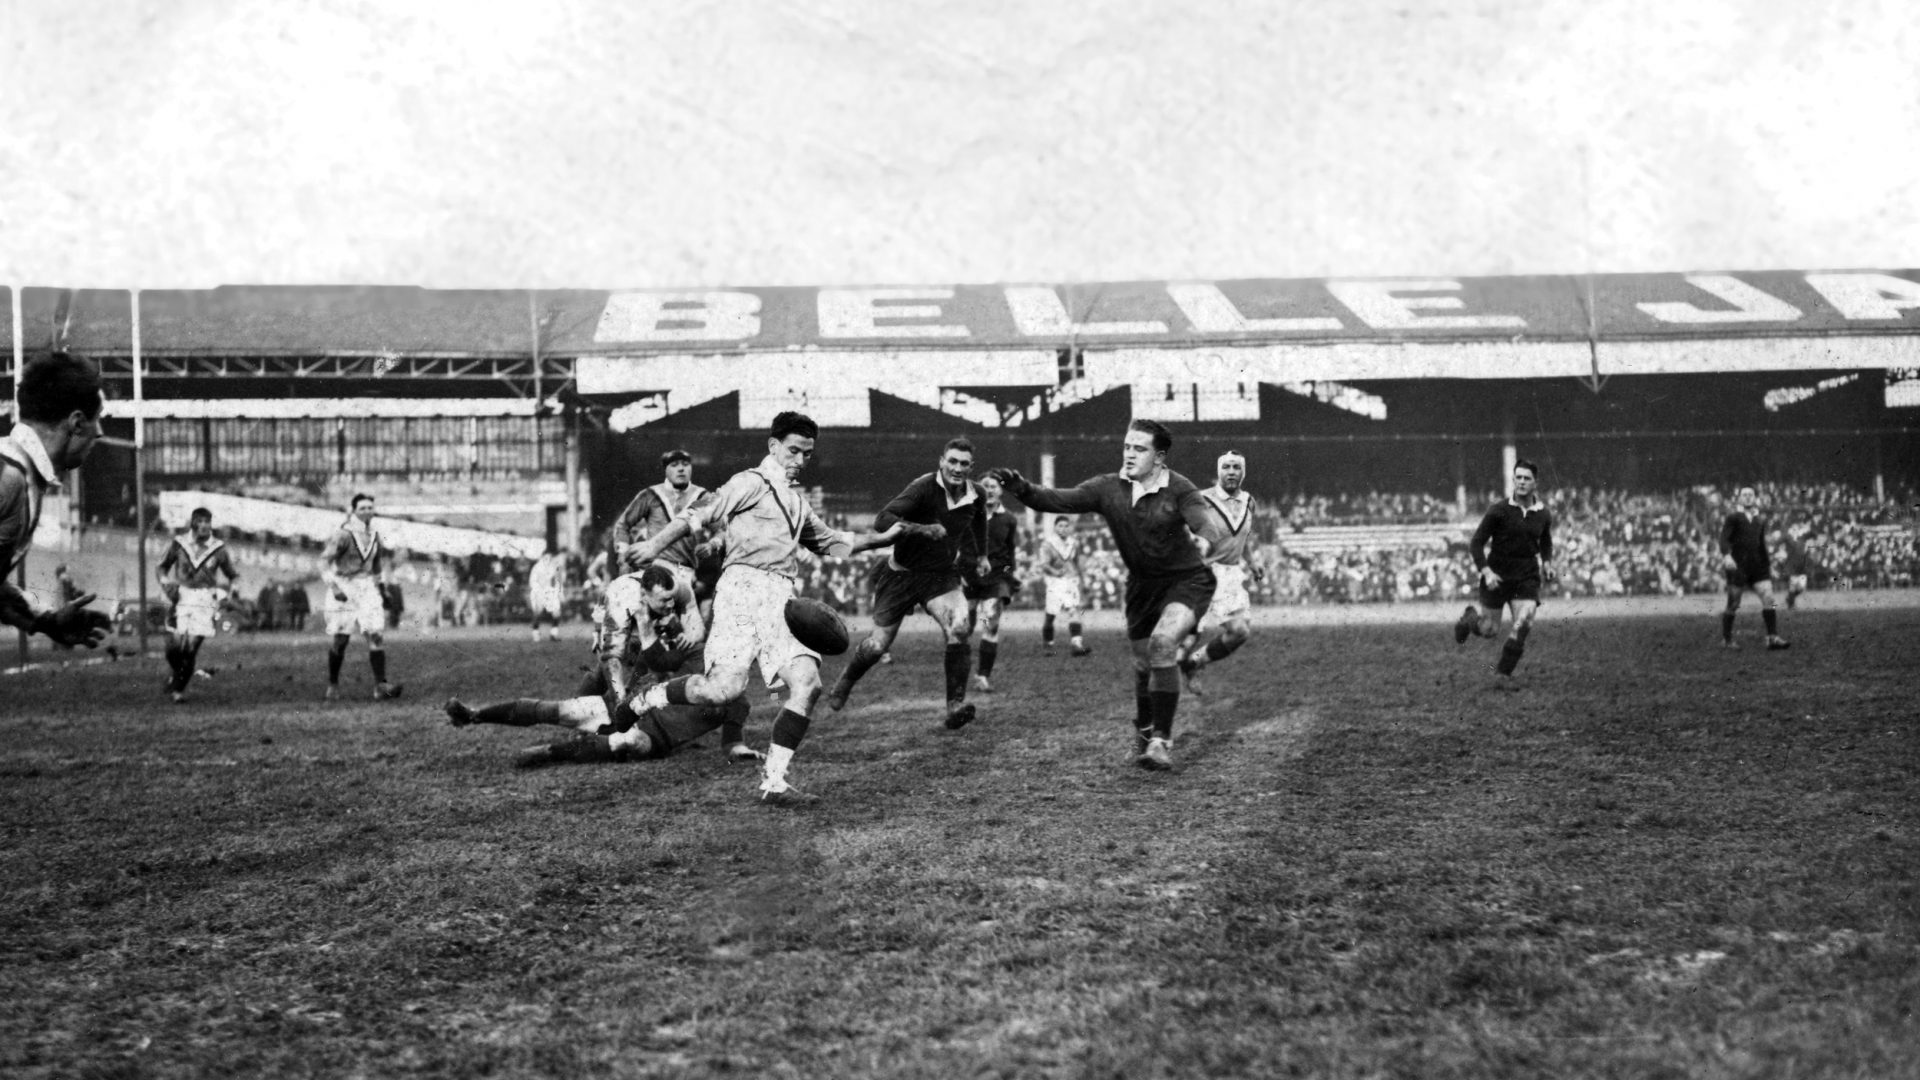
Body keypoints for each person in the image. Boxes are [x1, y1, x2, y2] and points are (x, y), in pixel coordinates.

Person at [615, 411, 918, 806]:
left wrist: (886, 538)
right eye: (793, 450)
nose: (800, 460)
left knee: (807, 684)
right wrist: (654, 546)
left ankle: (774, 783)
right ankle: (643, 700)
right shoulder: (749, 482)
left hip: (783, 598)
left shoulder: (796, 502)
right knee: (722, 691)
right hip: (742, 590)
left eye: (807, 454)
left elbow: (832, 542)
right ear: (773, 447)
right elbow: (700, 514)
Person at [988, 418, 1217, 771]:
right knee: (1143, 667)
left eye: (1139, 449)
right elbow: (1056, 499)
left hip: (1187, 581)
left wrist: (1207, 537)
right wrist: (1022, 488)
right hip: (1142, 587)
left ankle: (1160, 741)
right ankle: (1144, 730)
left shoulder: (1180, 489)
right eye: (1127, 446)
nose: (1129, 454)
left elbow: (1204, 523)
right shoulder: (1107, 488)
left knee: (1162, 644)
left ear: (1158, 457)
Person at [825, 437, 988, 727]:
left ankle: (955, 705)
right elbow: (882, 520)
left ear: (971, 467)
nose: (957, 468)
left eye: (964, 463)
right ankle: (847, 680)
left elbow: (979, 521)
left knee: (960, 628)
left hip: (940, 577)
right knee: (876, 646)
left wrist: (983, 554)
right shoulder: (923, 487)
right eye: (952, 461)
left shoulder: (977, 494)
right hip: (901, 574)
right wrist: (922, 530)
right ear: (941, 461)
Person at [0, 352, 112, 650]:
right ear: (76, 422)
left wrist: (44, 621)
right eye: (96, 420)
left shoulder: (23, 475)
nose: (99, 432)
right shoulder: (9, 477)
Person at [1453, 459, 1556, 686]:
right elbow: (1476, 543)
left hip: (1526, 576)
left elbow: (1546, 542)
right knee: (1489, 630)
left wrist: (1547, 563)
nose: (1521, 482)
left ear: (1535, 483)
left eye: (1526, 478)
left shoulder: (1543, 514)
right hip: (1497, 577)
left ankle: (1503, 673)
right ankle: (1470, 619)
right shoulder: (1498, 511)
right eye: (1518, 477)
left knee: (1525, 619)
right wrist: (1486, 571)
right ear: (1513, 480)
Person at [1177, 451, 1264, 695]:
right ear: (1219, 471)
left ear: (1243, 472)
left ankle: (1193, 663)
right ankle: (1158, 693)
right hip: (1204, 574)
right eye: (1226, 467)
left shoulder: (1249, 502)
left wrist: (1252, 561)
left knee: (1239, 632)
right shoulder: (1202, 500)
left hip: (1232, 574)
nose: (1232, 472)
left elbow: (1242, 535)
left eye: (1237, 467)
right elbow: (1180, 532)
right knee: (1189, 634)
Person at [319, 493, 403, 700]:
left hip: (366, 588)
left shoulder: (374, 535)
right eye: (362, 508)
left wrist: (382, 589)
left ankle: (380, 687)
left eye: (369, 507)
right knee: (341, 639)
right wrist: (333, 586)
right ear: (354, 510)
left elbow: (376, 566)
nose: (367, 511)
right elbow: (323, 561)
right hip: (344, 587)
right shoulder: (343, 534)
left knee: (375, 634)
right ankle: (333, 684)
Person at [155, 507, 240, 703]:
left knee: (190, 650)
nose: (204, 525)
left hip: (205, 599)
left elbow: (233, 575)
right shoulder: (179, 543)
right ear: (193, 523)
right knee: (173, 649)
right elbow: (161, 566)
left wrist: (230, 593)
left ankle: (178, 691)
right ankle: (176, 676)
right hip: (182, 597)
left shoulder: (218, 548)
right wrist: (166, 583)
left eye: (207, 521)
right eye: (200, 521)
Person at [966, 473, 1023, 693]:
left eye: (993, 486)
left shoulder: (1009, 519)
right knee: (965, 626)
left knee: (990, 622)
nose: (989, 490)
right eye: (985, 486)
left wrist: (1009, 574)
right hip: (970, 576)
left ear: (1001, 491)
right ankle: (963, 664)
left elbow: (1010, 553)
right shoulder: (969, 514)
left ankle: (983, 676)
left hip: (997, 578)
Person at [1719, 486, 1789, 650]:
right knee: (1734, 603)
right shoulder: (1733, 517)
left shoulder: (1760, 519)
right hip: (1738, 565)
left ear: (1755, 497)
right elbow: (1724, 538)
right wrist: (1727, 555)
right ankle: (1727, 640)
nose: (1748, 497)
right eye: (1745, 495)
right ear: (1740, 498)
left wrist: (1768, 565)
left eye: (1751, 495)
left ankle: (1772, 637)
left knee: (1768, 598)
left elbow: (1761, 544)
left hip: (1758, 566)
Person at [1033, 514, 1091, 657]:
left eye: (1066, 526)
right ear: (1055, 528)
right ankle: (1048, 644)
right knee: (1051, 614)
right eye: (1060, 526)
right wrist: (1055, 571)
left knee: (1073, 610)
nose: (1064, 529)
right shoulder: (1048, 544)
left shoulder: (1074, 543)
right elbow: (1044, 564)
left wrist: (1083, 580)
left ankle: (1076, 644)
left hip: (1071, 581)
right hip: (1055, 581)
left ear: (1070, 528)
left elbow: (1077, 563)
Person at [527, 544, 567, 641]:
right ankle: (536, 634)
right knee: (537, 613)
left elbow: (557, 581)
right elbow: (532, 581)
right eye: (546, 557)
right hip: (538, 593)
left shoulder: (553, 567)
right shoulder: (536, 567)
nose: (548, 559)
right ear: (542, 557)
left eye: (549, 557)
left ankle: (553, 634)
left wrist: (559, 593)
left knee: (556, 613)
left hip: (550, 593)